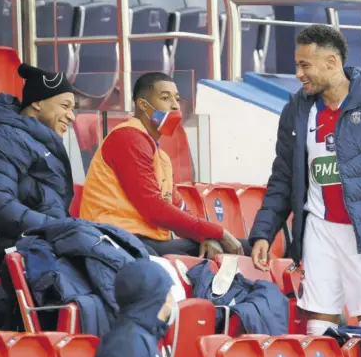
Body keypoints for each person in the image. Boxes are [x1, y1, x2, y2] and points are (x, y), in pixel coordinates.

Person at [249, 24, 361, 336]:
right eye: (297, 65)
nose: (298, 73)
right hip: (319, 229)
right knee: (318, 324)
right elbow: (283, 176)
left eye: (305, 65)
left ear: (332, 63)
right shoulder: (296, 109)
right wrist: (263, 233)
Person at [79, 72, 248, 259]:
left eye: (176, 99)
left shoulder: (161, 156)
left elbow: (179, 207)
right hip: (117, 240)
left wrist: (203, 236)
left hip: (147, 241)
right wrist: (217, 232)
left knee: (245, 247)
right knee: (236, 249)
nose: (175, 106)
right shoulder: (128, 138)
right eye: (165, 98)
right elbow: (154, 209)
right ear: (143, 105)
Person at [0, 64, 76, 329]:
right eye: (65, 106)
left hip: (47, 239)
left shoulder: (34, 140)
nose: (72, 116)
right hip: (19, 245)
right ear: (38, 104)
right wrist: (55, 228)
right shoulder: (2, 136)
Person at [94, 258, 175, 357]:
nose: (172, 300)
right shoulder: (128, 343)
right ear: (157, 298)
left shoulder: (141, 336)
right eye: (168, 292)